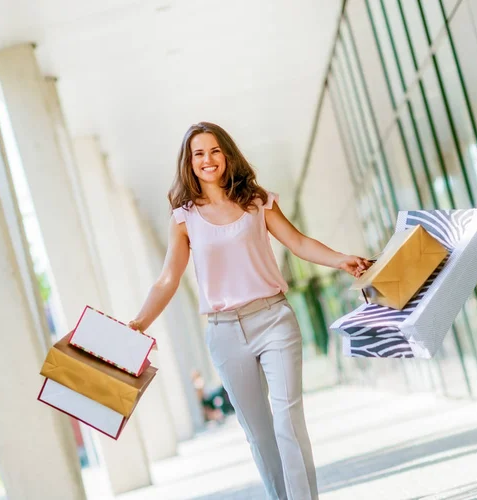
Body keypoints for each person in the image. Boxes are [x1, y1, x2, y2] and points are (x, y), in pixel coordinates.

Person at [128, 122, 371, 500]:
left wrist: (341, 260)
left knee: (289, 419)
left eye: (214, 151)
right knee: (258, 431)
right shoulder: (184, 218)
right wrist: (140, 322)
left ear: (227, 154)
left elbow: (298, 242)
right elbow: (167, 279)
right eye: (199, 154)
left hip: (274, 318)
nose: (208, 160)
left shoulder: (256, 201)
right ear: (189, 164)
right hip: (224, 332)